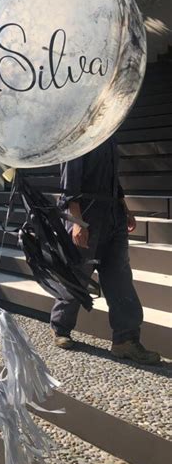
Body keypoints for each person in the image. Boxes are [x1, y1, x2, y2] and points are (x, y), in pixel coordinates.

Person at [50, 136, 161, 365]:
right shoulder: (79, 134)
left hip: (113, 216)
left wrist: (125, 207)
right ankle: (60, 328)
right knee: (77, 275)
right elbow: (68, 182)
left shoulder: (108, 136)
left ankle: (126, 341)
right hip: (87, 215)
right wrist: (77, 221)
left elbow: (113, 179)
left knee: (120, 277)